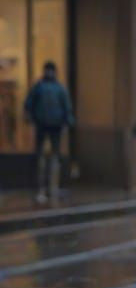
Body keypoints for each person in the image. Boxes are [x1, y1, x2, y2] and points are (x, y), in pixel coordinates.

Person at [23, 60, 74, 204]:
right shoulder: (42, 87)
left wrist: (67, 121)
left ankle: (51, 188)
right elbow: (29, 104)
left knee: (52, 158)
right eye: (47, 70)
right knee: (44, 158)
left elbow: (67, 106)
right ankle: (43, 188)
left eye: (50, 70)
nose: (49, 73)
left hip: (53, 126)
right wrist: (30, 118)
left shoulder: (54, 88)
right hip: (44, 125)